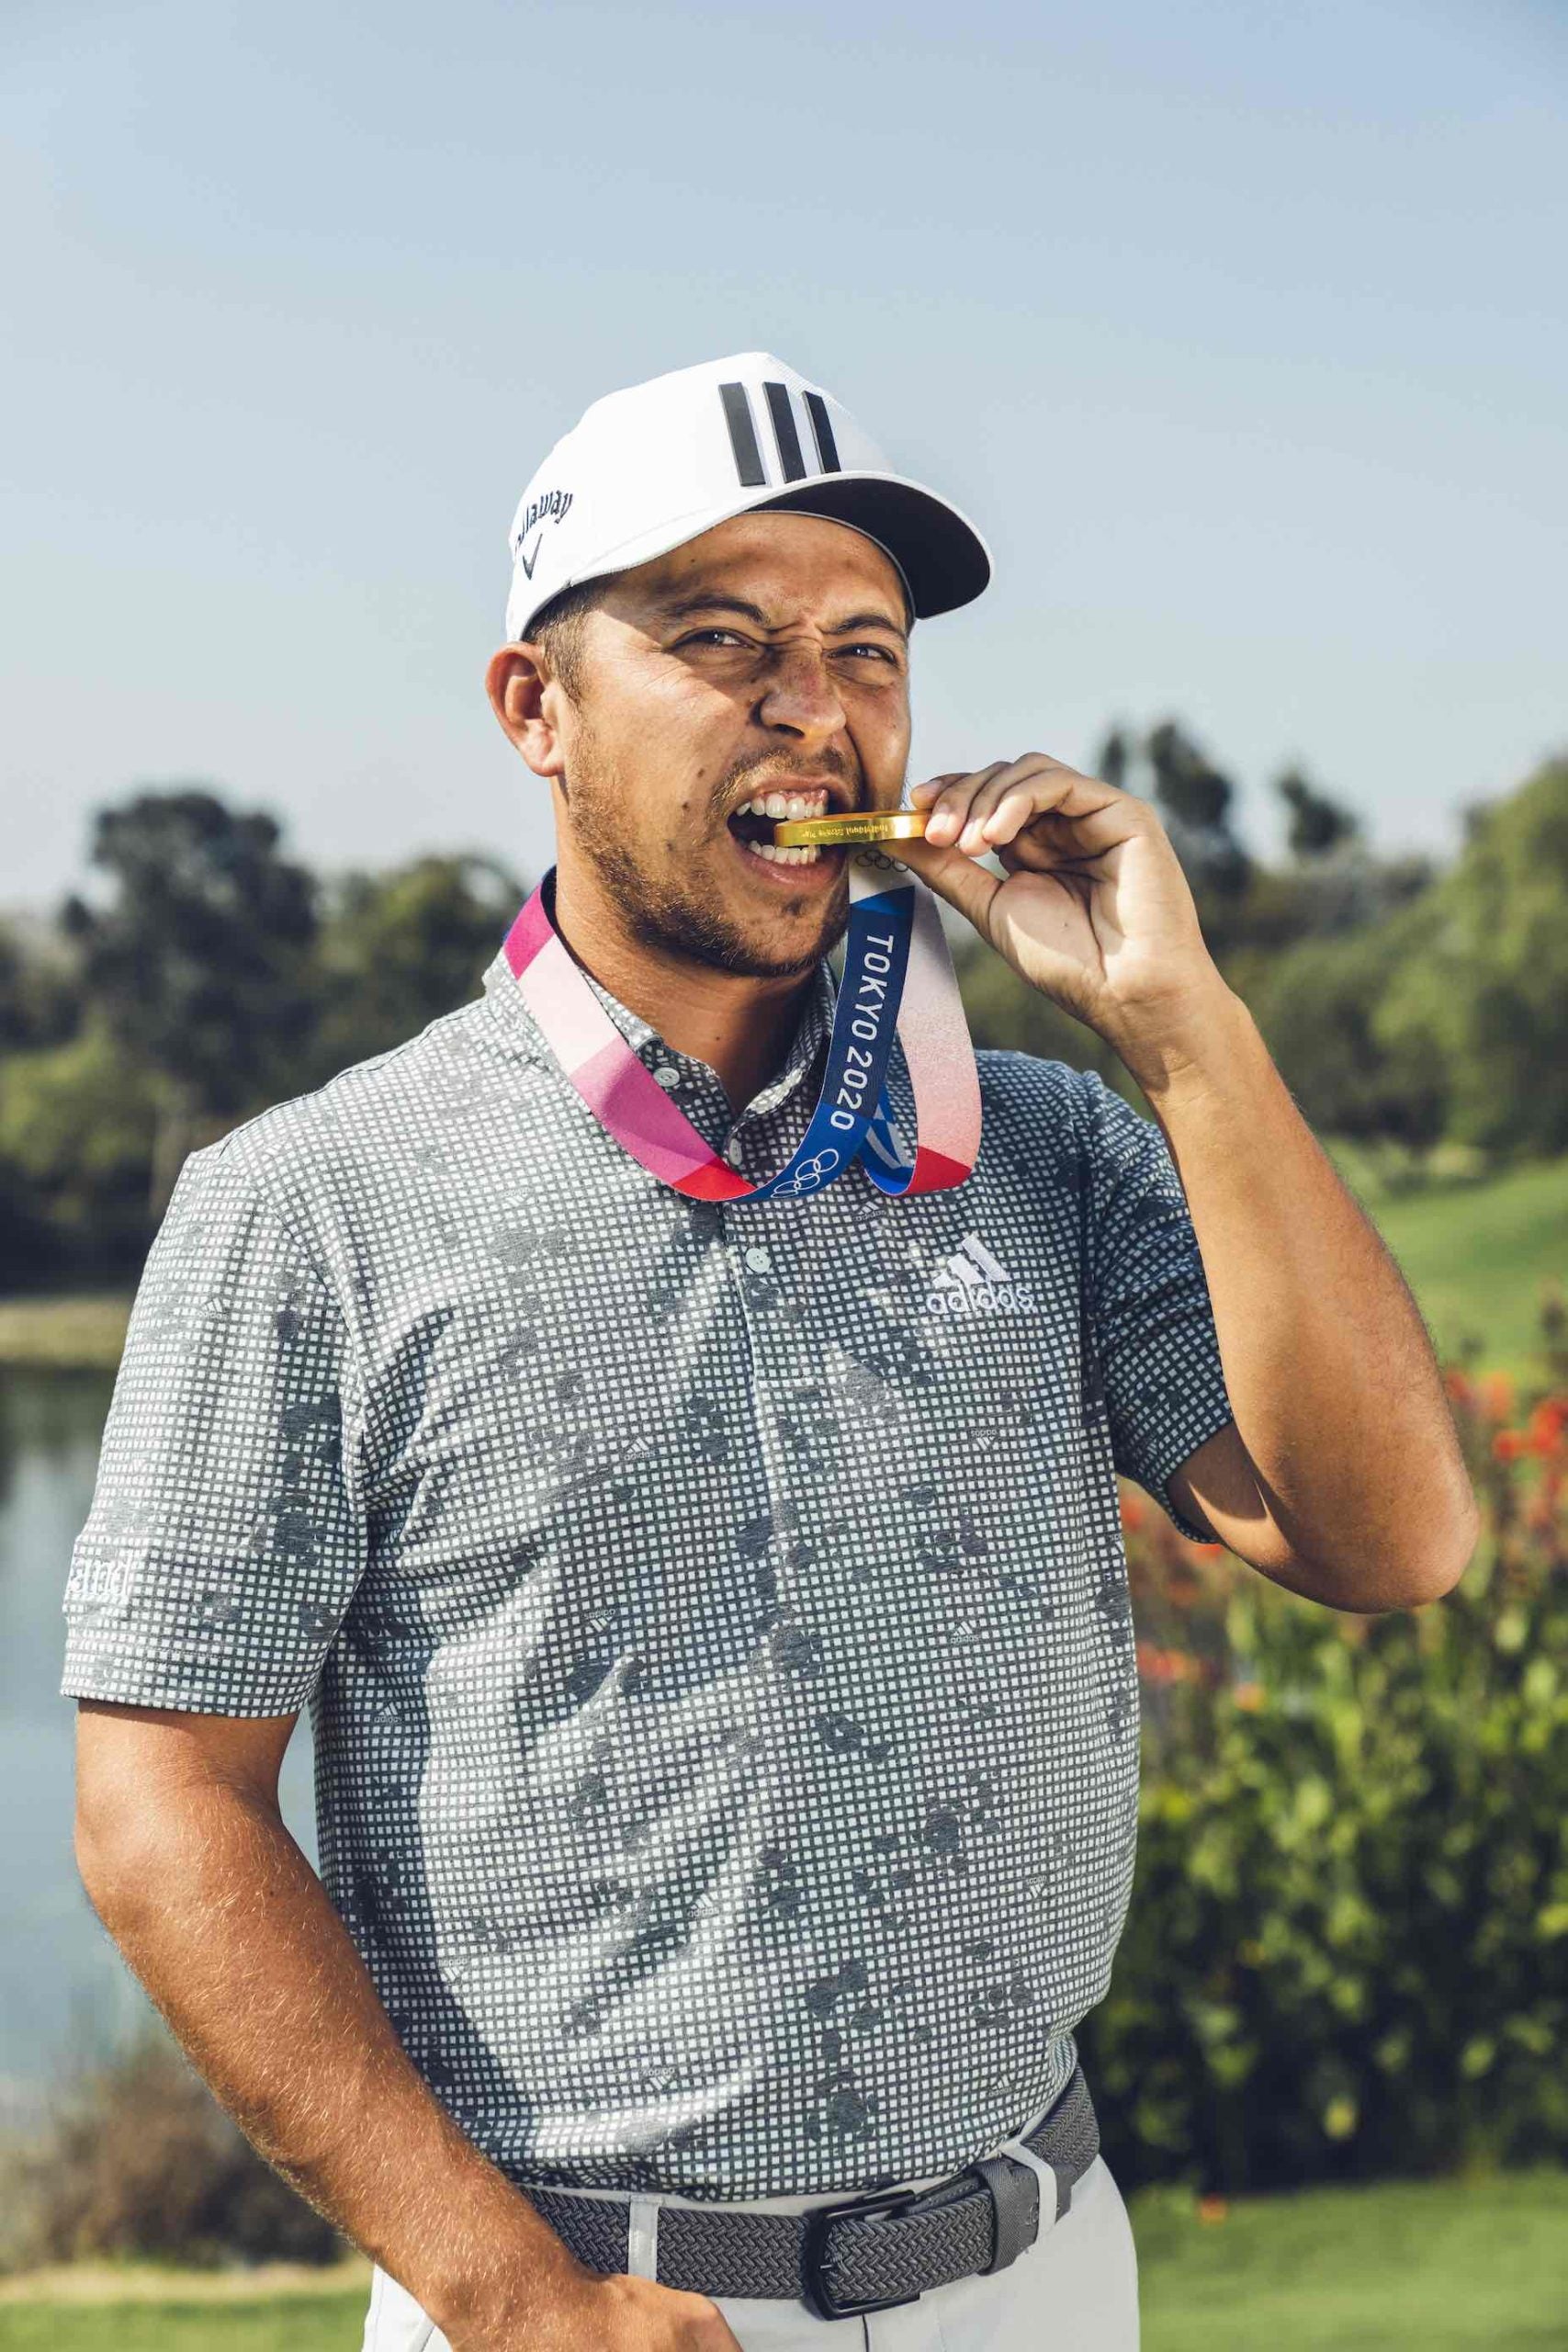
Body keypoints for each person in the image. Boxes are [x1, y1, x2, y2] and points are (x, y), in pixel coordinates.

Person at [61, 351, 1478, 2351]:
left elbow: (1391, 1539)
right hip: (587, 2298)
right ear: (535, 708)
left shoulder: (1052, 1146)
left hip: (1045, 2270)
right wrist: (510, 2297)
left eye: (862, 650)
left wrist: (1183, 1032)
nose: (814, 704)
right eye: (721, 638)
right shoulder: (309, 1201)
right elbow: (162, 1805)